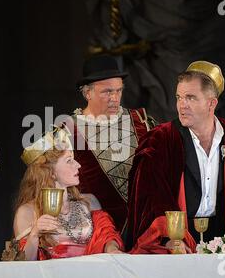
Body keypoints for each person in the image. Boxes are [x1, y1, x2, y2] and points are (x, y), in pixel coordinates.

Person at [126, 61, 225, 254]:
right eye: (179, 97)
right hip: (180, 241)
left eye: (191, 98)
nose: (182, 105)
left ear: (212, 103)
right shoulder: (160, 139)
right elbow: (151, 195)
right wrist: (168, 238)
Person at [63, 55, 158, 235]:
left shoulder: (143, 122)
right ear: (87, 92)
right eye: (107, 92)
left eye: (118, 91)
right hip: (97, 234)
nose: (115, 98)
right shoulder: (67, 132)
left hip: (147, 232)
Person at [13, 126, 123, 260]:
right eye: (69, 160)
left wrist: (112, 249)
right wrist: (35, 234)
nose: (78, 165)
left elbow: (106, 235)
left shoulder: (89, 201)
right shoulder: (27, 212)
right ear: (51, 172)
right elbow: (23, 266)